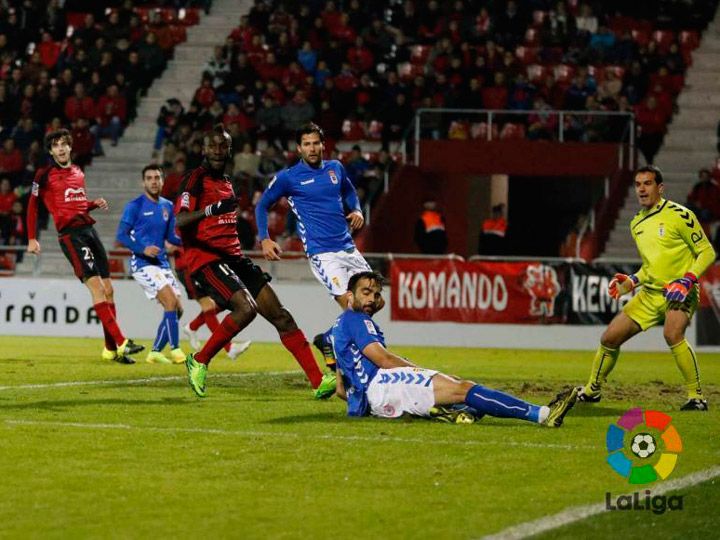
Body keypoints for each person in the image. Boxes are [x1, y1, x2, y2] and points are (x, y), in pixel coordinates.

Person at [176, 124, 332, 398]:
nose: (217, 150)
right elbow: (180, 221)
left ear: (229, 149)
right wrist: (211, 209)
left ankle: (319, 381)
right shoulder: (194, 180)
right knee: (245, 309)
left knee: (281, 316)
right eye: (212, 145)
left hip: (235, 258)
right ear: (203, 149)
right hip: (207, 259)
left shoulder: (226, 182)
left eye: (222, 145)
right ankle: (199, 360)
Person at [333, 272, 578, 426]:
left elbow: (341, 390)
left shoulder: (338, 327)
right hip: (384, 384)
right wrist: (416, 369)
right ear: (350, 296)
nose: (372, 299)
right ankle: (544, 414)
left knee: (457, 388)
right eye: (366, 293)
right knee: (464, 389)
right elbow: (384, 359)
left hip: (373, 400)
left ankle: (449, 413)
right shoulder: (356, 319)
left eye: (376, 294)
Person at [578, 166, 717, 410]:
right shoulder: (636, 224)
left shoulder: (680, 215)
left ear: (660, 188)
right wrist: (632, 281)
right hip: (649, 294)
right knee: (609, 338)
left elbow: (707, 251)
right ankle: (592, 390)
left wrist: (688, 279)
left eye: (648, 183)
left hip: (679, 292)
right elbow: (650, 266)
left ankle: (696, 397)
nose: (642, 188)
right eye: (638, 184)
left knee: (672, 334)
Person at [256, 122, 372, 377]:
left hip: (348, 248)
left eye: (315, 143)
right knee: (353, 307)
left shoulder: (335, 168)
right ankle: (356, 367)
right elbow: (262, 205)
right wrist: (265, 238)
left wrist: (356, 209)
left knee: (374, 299)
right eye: (306, 144)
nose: (312, 148)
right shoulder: (288, 177)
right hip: (323, 254)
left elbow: (349, 191)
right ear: (299, 148)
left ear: (322, 145)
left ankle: (329, 339)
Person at [26, 129, 143, 363]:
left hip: (90, 231)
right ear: (50, 151)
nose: (60, 148)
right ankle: (121, 342)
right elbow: (32, 205)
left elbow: (74, 204)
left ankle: (110, 350)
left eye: (64, 144)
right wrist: (32, 237)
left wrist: (91, 204)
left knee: (110, 290)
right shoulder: (43, 175)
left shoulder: (79, 171)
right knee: (97, 289)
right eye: (55, 145)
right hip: (71, 236)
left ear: (70, 147)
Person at [116, 164, 186, 365]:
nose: (154, 181)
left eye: (157, 178)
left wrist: (190, 241)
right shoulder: (135, 206)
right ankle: (176, 349)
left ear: (163, 181)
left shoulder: (167, 206)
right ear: (143, 182)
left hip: (162, 264)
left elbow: (171, 236)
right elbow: (121, 235)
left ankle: (155, 352)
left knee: (178, 309)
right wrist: (142, 249)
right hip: (143, 264)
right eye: (149, 178)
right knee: (170, 302)